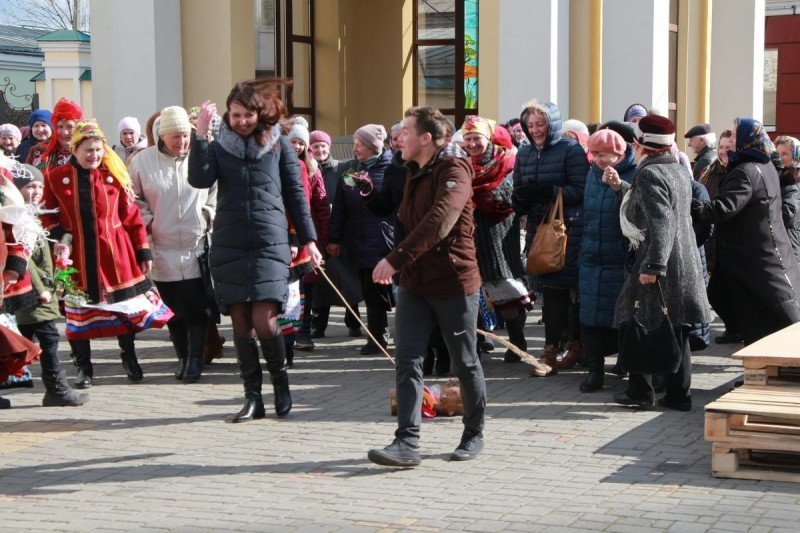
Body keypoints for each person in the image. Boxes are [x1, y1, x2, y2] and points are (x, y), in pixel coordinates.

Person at [188, 80, 322, 423]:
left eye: (247, 115)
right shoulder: (219, 145)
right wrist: (200, 136)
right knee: (241, 323)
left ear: (259, 113)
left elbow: (296, 194)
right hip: (230, 241)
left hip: (269, 240)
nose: (242, 121)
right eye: (235, 115)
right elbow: (199, 180)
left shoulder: (279, 144)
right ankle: (252, 398)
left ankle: (281, 385)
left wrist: (309, 240)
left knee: (265, 319)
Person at [367, 106, 486, 467]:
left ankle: (473, 432)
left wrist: (394, 259)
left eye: (406, 131)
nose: (399, 137)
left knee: (464, 361)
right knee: (407, 361)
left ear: (426, 138)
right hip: (415, 283)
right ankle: (406, 442)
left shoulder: (455, 168)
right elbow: (404, 220)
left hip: (453, 281)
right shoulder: (410, 170)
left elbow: (440, 220)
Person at [40, 120, 173, 388]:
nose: (94, 155)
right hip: (76, 258)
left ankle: (129, 358)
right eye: (88, 150)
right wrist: (60, 236)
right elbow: (47, 216)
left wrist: (143, 250)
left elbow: (132, 217)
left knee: (122, 310)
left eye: (98, 150)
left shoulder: (113, 175)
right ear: (75, 149)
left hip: (115, 255)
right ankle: (84, 368)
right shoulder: (55, 178)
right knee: (78, 313)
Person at [607, 114, 711, 411]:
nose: (633, 146)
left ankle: (640, 391)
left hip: (660, 262)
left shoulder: (650, 173)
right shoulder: (675, 168)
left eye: (635, 142)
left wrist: (653, 267)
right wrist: (621, 187)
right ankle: (679, 396)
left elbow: (661, 221)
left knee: (634, 318)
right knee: (678, 328)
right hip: (682, 261)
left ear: (642, 145)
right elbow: (653, 207)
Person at [692, 119, 800, 345]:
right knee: (745, 308)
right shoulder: (764, 165)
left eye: (734, 137)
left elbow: (723, 208)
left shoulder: (746, 171)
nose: (730, 142)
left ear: (746, 139)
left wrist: (689, 203)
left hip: (756, 259)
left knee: (774, 319)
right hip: (766, 253)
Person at [130, 106, 217, 384]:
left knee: (198, 306)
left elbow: (216, 191)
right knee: (172, 308)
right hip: (162, 246)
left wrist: (208, 215)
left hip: (196, 245)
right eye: (175, 137)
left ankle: (195, 360)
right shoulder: (142, 161)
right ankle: (182, 355)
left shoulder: (201, 156)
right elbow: (133, 198)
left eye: (185, 135)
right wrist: (149, 222)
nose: (182, 142)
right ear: (162, 136)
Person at [512, 100, 589, 370]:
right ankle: (558, 348)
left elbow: (581, 190)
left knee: (563, 292)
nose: (535, 130)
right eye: (530, 125)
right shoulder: (524, 152)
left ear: (551, 124)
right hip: (538, 229)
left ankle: (565, 348)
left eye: (540, 124)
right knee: (550, 292)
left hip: (566, 230)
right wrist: (520, 200)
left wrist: (550, 191)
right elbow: (519, 187)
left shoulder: (570, 150)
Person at [11, 163, 88, 406]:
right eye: (29, 187)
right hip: (28, 292)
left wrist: (58, 246)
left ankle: (56, 389)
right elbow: (22, 258)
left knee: (21, 342)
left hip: (31, 291)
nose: (35, 192)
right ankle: (57, 390)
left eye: (39, 187)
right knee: (47, 339)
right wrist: (40, 289)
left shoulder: (29, 214)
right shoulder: (16, 217)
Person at [460, 115, 531, 362]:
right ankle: (478, 341)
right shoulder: (462, 163)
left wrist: (484, 195)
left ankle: (517, 341)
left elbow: (511, 197)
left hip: (500, 233)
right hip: (469, 234)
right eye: (468, 139)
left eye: (477, 138)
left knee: (504, 288)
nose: (472, 144)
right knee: (473, 290)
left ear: (488, 138)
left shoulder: (507, 160)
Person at [328, 124, 394, 355]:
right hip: (359, 239)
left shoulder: (392, 169)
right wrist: (334, 238)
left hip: (386, 239)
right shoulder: (350, 171)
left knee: (387, 290)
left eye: (359, 145)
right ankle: (377, 336)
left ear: (373, 146)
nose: (355, 149)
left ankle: (399, 336)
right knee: (369, 289)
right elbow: (340, 207)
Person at [578, 129, 636, 393]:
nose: (601, 160)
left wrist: (618, 187)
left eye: (607, 155)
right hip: (592, 256)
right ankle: (595, 371)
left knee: (621, 316)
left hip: (619, 257)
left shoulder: (634, 173)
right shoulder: (590, 175)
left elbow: (637, 209)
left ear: (620, 154)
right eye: (597, 154)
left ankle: (625, 362)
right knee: (590, 317)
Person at [307, 129, 363, 338]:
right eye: (315, 146)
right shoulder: (307, 170)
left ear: (329, 147)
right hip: (318, 236)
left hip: (343, 235)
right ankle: (318, 324)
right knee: (320, 283)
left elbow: (352, 197)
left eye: (323, 145)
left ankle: (354, 322)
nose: (320, 150)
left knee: (347, 281)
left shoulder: (344, 169)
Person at [286, 117, 329, 356]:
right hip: (285, 235)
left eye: (301, 143)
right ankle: (287, 333)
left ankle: (302, 332)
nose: (296, 146)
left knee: (304, 287)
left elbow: (315, 205)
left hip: (304, 236)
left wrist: (320, 238)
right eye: (292, 141)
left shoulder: (309, 168)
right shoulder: (278, 164)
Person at [29, 98, 82, 171]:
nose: (65, 132)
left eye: (70, 126)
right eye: (60, 126)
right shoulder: (39, 150)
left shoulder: (87, 150)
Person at [775, 136, 800, 263]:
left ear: (795, 156)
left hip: (792, 248)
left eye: (784, 154)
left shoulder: (795, 182)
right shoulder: (778, 177)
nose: (780, 158)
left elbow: (788, 214)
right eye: (777, 153)